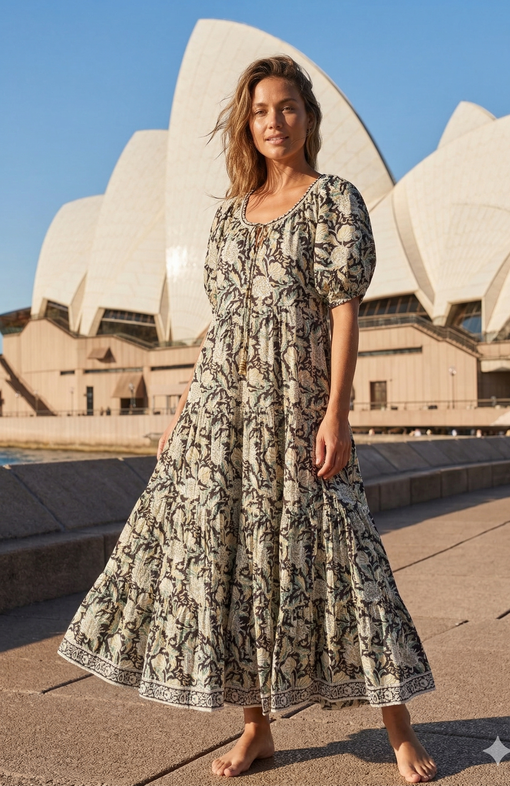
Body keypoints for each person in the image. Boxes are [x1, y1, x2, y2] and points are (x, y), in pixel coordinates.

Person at [58, 56, 437, 784]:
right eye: (261, 110)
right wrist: (181, 411)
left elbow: (343, 312)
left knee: (345, 557)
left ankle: (398, 729)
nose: (274, 121)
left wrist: (337, 412)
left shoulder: (334, 201)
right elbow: (224, 325)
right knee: (234, 563)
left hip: (297, 412)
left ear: (308, 118)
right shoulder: (227, 217)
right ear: (247, 122)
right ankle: (255, 728)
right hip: (221, 418)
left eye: (288, 107)